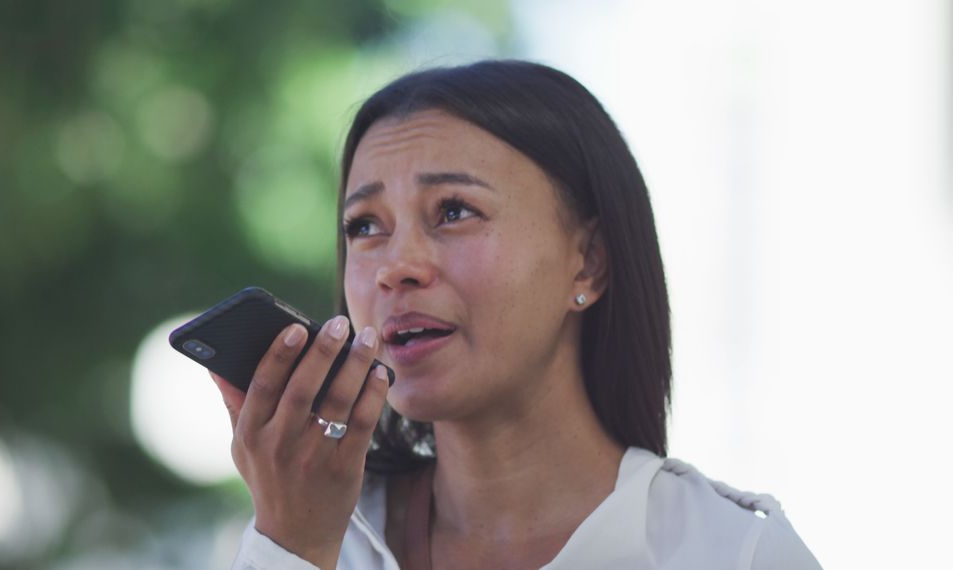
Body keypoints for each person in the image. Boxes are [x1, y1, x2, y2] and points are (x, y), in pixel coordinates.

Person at [210, 60, 821, 569]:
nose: (396, 266)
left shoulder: (732, 553)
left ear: (588, 263)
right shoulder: (311, 535)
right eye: (365, 226)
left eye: (453, 210)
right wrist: (293, 549)